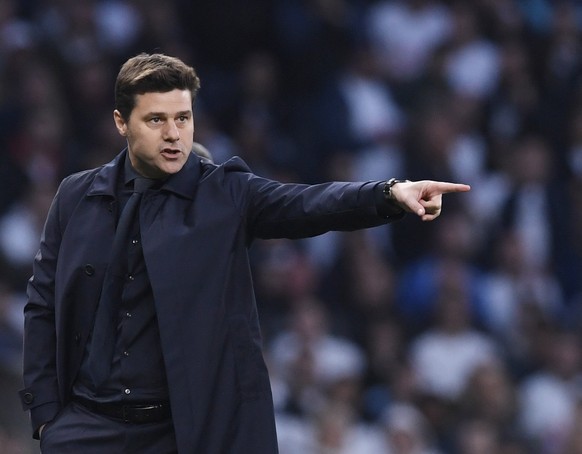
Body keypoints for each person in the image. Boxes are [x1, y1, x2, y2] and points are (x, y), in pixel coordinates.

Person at [19, 53, 470, 453]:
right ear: (122, 122)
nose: (174, 134)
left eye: (183, 118)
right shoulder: (75, 196)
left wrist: (389, 193)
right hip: (88, 429)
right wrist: (47, 417)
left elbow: (306, 204)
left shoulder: (226, 192)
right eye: (156, 120)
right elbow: (43, 304)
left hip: (182, 432)